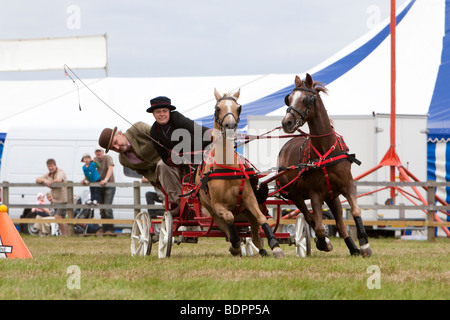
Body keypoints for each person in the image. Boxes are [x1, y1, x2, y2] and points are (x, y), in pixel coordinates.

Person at [147, 96, 213, 216]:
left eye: (164, 111)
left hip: (198, 154)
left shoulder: (177, 118)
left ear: (169, 112)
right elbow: (163, 157)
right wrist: (173, 157)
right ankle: (179, 203)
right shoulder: (154, 132)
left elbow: (195, 128)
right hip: (179, 163)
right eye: (158, 112)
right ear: (153, 114)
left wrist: (212, 134)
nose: (162, 114)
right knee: (162, 165)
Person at [36, 159, 68, 235]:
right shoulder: (48, 174)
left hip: (63, 199)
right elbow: (37, 180)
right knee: (62, 218)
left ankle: (65, 235)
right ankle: (66, 235)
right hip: (55, 200)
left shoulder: (60, 171)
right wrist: (44, 180)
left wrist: (50, 182)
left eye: (52, 166)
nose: (50, 168)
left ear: (55, 165)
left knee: (57, 216)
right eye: (49, 166)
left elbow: (59, 179)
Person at [93, 148, 116, 235]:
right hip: (99, 186)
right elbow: (90, 171)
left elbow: (110, 168)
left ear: (103, 151)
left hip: (109, 185)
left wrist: (106, 179)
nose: (98, 153)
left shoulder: (108, 158)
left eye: (100, 151)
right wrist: (87, 179)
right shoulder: (94, 160)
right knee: (102, 209)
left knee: (107, 208)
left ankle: (110, 229)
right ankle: (104, 228)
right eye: (97, 151)